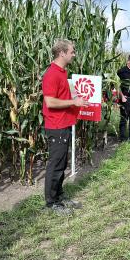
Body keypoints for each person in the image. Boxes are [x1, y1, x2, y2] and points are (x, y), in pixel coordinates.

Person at [42, 39, 88, 214]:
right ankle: (51, 202)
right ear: (62, 53)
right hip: (56, 125)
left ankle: (59, 196)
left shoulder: (62, 72)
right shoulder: (52, 74)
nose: (74, 54)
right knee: (55, 164)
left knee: (62, 163)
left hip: (64, 123)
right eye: (72, 51)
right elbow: (50, 101)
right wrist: (73, 101)